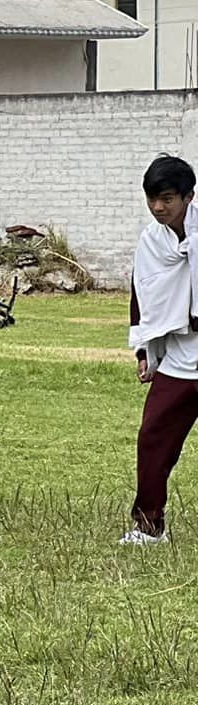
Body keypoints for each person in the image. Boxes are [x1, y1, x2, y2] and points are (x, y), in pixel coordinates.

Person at [126, 154, 198, 544]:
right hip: (181, 358)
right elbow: (144, 296)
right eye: (152, 198)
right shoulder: (151, 241)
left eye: (167, 198)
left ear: (189, 196)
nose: (158, 207)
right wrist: (144, 353)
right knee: (153, 439)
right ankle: (149, 526)